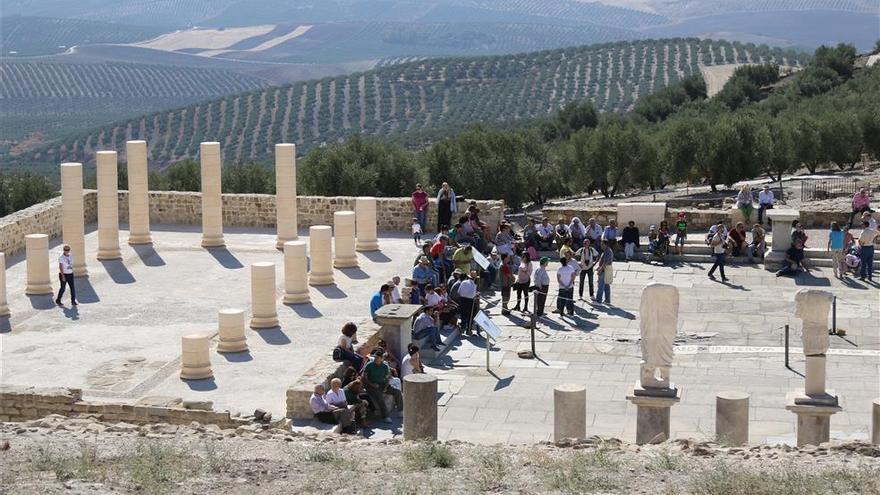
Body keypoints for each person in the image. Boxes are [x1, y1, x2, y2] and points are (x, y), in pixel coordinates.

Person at [361, 349, 401, 423]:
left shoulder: (385, 366)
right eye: (375, 357)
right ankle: (386, 416)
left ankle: (400, 410)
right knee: (380, 396)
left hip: (382, 384)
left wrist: (386, 387)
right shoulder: (369, 365)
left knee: (397, 392)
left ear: (382, 358)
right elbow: (364, 378)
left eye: (378, 358)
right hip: (371, 386)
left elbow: (387, 378)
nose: (376, 359)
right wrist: (372, 384)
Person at [595, 240, 613, 304]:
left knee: (601, 285)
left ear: (606, 245)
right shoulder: (607, 251)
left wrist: (600, 270)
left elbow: (605, 263)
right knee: (606, 285)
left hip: (604, 270)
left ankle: (598, 300)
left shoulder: (607, 252)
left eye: (602, 244)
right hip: (606, 269)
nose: (601, 246)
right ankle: (607, 300)